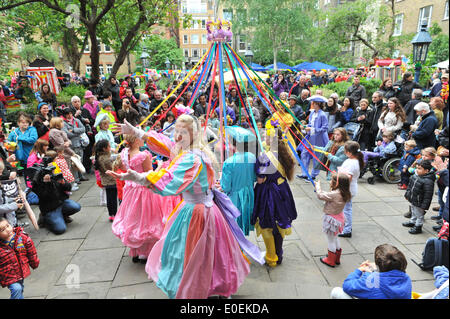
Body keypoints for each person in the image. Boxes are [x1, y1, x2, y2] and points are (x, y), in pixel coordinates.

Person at [108, 115, 264, 299]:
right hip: (201, 209)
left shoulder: (191, 158)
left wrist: (138, 177)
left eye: (183, 132)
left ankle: (201, 288)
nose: (177, 136)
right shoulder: (192, 150)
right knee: (206, 253)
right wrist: (138, 133)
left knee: (195, 255)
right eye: (176, 131)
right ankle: (211, 286)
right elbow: (166, 145)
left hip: (198, 213)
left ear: (193, 134)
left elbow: (168, 179)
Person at [112, 134, 179, 263]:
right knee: (148, 220)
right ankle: (146, 253)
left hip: (131, 190)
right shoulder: (143, 155)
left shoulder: (124, 153)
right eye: (141, 137)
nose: (144, 139)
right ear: (136, 140)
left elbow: (125, 169)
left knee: (134, 218)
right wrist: (160, 165)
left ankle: (136, 252)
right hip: (144, 191)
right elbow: (150, 175)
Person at [251, 128, 297, 267]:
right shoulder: (286, 153)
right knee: (280, 221)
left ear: (271, 139)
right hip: (283, 190)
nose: (264, 138)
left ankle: (271, 257)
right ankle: (279, 252)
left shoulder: (264, 157)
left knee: (267, 225)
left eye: (265, 136)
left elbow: (260, 180)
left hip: (268, 193)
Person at [331, 244, 412, 299]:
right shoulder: (406, 278)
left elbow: (347, 286)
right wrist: (376, 270)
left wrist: (360, 270)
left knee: (336, 291)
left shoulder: (371, 281)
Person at [220, 126, 257, 236]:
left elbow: (225, 187)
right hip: (249, 195)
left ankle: (237, 250)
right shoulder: (252, 157)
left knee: (234, 227)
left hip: (235, 199)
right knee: (244, 222)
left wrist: (222, 178)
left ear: (233, 144)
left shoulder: (229, 162)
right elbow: (254, 177)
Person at [30, 155, 81, 234]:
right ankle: (44, 219)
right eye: (51, 167)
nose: (53, 168)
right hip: (50, 208)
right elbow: (45, 196)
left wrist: (64, 184)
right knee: (60, 229)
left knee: (76, 207)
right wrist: (47, 184)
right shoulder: (38, 181)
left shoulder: (55, 174)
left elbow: (68, 188)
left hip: (61, 202)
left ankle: (62, 215)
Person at [315, 173, 352, 267]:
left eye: (332, 181)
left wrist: (317, 186)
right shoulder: (345, 192)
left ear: (337, 183)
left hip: (331, 220)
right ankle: (336, 258)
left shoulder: (335, 194)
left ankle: (330, 260)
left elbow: (320, 195)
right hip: (339, 218)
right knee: (335, 238)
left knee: (330, 240)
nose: (330, 182)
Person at [0, 217, 39, 299]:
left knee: (20, 289)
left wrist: (34, 263)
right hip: (7, 275)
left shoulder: (22, 237)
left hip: (21, 270)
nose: (7, 230)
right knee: (16, 289)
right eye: (2, 230)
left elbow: (31, 252)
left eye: (8, 225)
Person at [297, 100, 329, 181]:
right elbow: (310, 124)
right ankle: (304, 173)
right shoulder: (312, 113)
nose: (312, 105)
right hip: (310, 137)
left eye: (313, 103)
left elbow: (325, 128)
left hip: (319, 139)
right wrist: (304, 126)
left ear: (318, 104)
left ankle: (313, 175)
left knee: (316, 156)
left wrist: (312, 129)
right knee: (304, 153)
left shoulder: (322, 115)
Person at [338, 141, 364, 238]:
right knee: (347, 208)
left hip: (347, 189)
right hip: (350, 189)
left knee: (346, 210)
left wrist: (339, 176)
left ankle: (347, 229)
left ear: (349, 152)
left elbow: (348, 177)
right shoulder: (355, 160)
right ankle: (346, 227)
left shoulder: (351, 163)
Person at [402, 160, 436, 234]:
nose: (417, 170)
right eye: (417, 168)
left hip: (420, 202)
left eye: (420, 169)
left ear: (426, 171)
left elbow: (428, 195)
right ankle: (412, 221)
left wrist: (424, 206)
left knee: (419, 214)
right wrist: (407, 194)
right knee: (413, 211)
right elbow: (410, 186)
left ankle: (418, 226)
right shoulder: (415, 176)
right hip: (413, 199)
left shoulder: (428, 181)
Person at [94, 139, 118, 222]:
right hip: (112, 180)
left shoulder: (100, 157)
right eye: (109, 146)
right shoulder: (106, 159)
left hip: (105, 181)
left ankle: (111, 214)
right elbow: (113, 168)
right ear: (104, 149)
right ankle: (114, 214)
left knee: (109, 198)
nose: (110, 147)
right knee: (113, 199)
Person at [62, 107, 86, 183]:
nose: (69, 115)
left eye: (70, 113)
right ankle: (76, 179)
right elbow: (67, 134)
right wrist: (77, 133)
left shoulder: (76, 120)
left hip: (79, 143)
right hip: (71, 145)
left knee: (80, 160)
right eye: (67, 114)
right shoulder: (63, 123)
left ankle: (81, 176)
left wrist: (74, 130)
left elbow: (83, 129)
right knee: (74, 162)